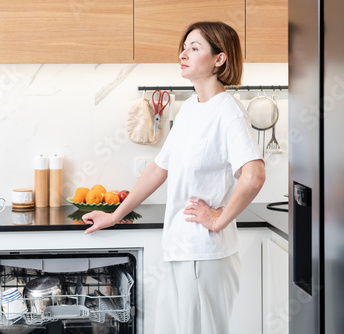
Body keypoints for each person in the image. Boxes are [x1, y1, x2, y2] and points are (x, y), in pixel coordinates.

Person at [82, 21, 265, 334]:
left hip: (205, 253)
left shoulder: (228, 112)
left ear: (219, 59)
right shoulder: (191, 107)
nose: (183, 54)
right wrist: (115, 215)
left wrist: (219, 220)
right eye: (184, 47)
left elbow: (254, 176)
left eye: (195, 48)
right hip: (180, 247)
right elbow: (159, 168)